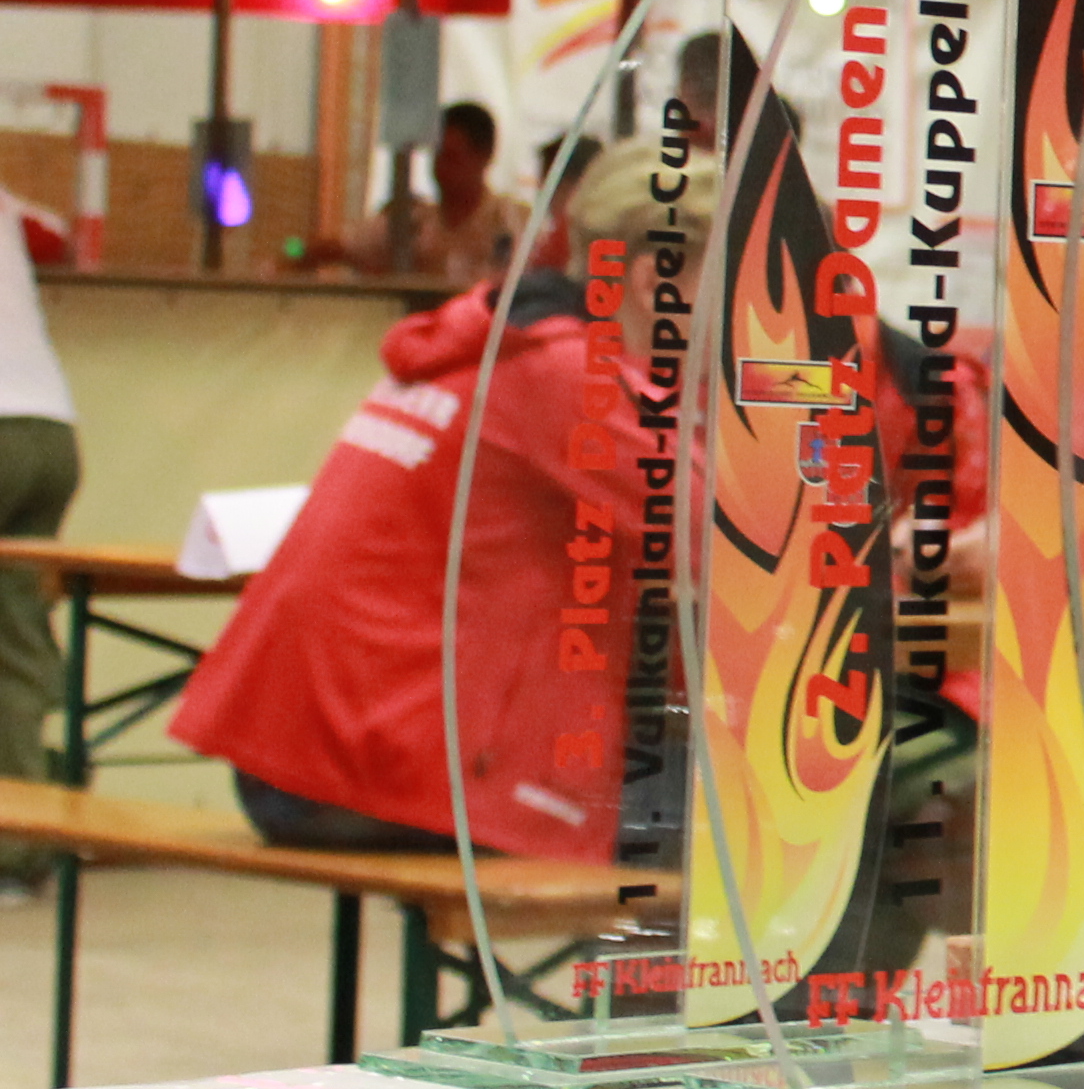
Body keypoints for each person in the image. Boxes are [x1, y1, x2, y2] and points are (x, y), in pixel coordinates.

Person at [176, 148, 665, 858]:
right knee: (705, 822)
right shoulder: (566, 374)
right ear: (653, 282)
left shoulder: (481, 339)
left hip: (291, 754)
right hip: (368, 767)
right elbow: (738, 540)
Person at [0, 177, 78, 896]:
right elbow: (60, 239)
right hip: (50, 430)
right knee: (17, 639)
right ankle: (18, 850)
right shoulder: (10, 205)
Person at [397, 101, 522, 290]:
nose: (441, 169)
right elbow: (355, 244)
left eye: (452, 158)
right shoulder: (415, 222)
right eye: (437, 157)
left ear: (484, 156)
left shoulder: (511, 221)